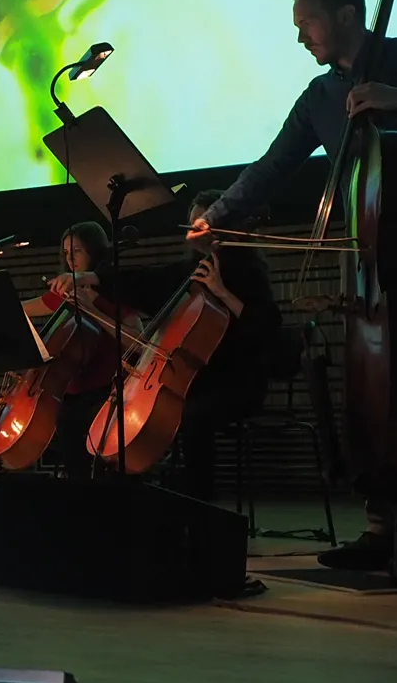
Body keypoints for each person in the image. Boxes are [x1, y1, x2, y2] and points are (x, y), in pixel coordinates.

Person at [187, 0, 397, 574]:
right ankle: (379, 523)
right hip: (363, 255)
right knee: (370, 384)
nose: (300, 37)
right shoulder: (319, 97)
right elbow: (274, 165)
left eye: (306, 22)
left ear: (346, 14)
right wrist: (218, 218)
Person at [112, 192, 284, 501]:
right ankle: (156, 495)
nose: (195, 232)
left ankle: (199, 503)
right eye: (192, 225)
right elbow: (144, 280)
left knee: (190, 416)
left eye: (202, 225)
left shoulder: (248, 271)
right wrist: (92, 278)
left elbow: (266, 328)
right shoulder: (188, 269)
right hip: (200, 378)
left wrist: (220, 290)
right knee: (164, 408)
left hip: (239, 381)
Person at [14, 221, 125, 477]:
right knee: (64, 419)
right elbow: (23, 308)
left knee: (73, 420)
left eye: (76, 251)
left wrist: (93, 310)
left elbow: (136, 336)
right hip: (71, 389)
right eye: (66, 253)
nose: (70, 259)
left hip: (105, 388)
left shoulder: (112, 291)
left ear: (94, 251)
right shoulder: (66, 292)